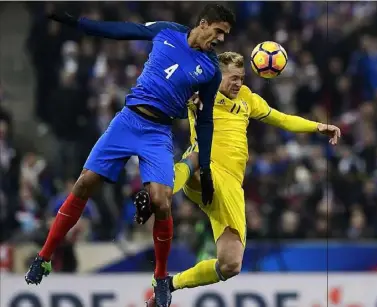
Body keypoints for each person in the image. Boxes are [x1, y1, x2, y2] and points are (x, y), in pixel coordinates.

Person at [24, 5, 236, 307]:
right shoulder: (167, 31)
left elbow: (205, 120)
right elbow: (122, 30)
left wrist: (205, 168)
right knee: (85, 182)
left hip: (158, 133)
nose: (221, 39)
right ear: (204, 24)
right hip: (128, 121)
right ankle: (44, 257)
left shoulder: (211, 69)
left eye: (225, 35)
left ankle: (161, 278)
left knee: (162, 200)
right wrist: (78, 23)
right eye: (219, 31)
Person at [135, 51, 341, 306]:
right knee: (199, 155)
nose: (238, 83)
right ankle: (158, 192)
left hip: (231, 186)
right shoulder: (199, 92)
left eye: (241, 78)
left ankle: (169, 284)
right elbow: (166, 89)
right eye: (233, 78)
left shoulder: (248, 99)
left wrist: (317, 126)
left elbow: (282, 119)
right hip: (205, 172)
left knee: (230, 264)